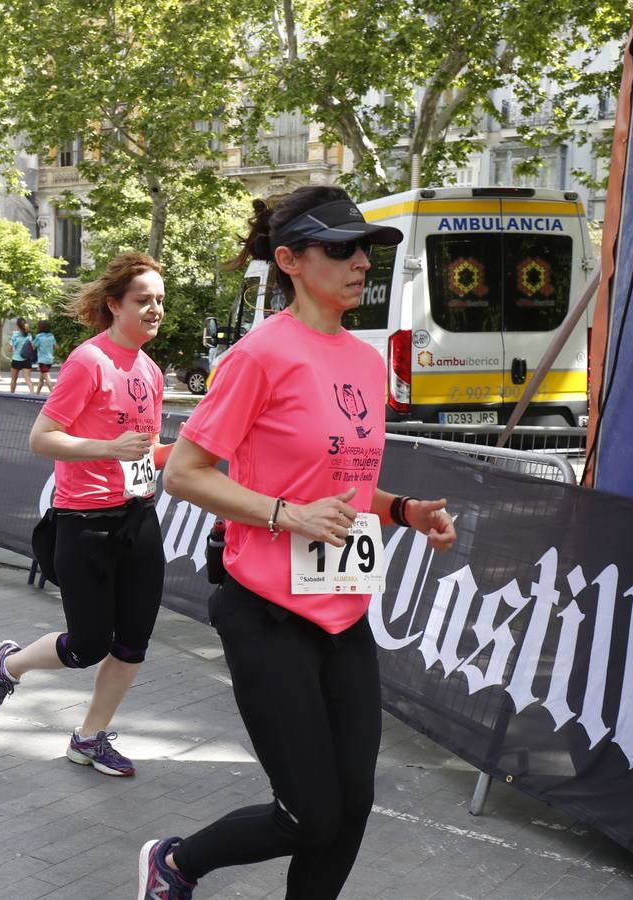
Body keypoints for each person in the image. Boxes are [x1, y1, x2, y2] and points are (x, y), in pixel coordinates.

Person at [137, 187, 458, 898]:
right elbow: (186, 474)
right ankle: (175, 864)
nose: (360, 262)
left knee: (353, 807)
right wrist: (285, 515)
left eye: (365, 248)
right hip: (266, 611)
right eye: (340, 248)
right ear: (289, 260)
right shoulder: (259, 355)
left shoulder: (368, 362)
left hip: (344, 609)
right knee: (309, 813)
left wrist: (404, 510)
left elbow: (341, 485)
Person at [0, 252, 174, 777]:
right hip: (84, 523)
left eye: (160, 301)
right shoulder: (89, 360)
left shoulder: (151, 371)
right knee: (88, 646)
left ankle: (89, 738)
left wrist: (190, 451)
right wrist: (108, 448)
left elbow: (143, 453)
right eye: (143, 300)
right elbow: (43, 438)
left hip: (139, 517)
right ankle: (10, 664)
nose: (155, 310)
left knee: (133, 642)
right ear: (114, 305)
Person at [6, 317, 36, 393]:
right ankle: (33, 395)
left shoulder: (15, 336)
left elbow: (9, 349)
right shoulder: (29, 335)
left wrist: (9, 344)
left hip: (16, 360)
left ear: (17, 326)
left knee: (13, 379)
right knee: (28, 379)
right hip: (26, 360)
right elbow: (33, 347)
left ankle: (12, 395)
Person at [31, 319, 58, 394]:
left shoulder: (39, 337)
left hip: (42, 360)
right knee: (41, 379)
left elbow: (33, 347)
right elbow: (56, 347)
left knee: (47, 378)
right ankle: (37, 394)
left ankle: (53, 394)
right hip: (50, 360)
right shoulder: (51, 336)